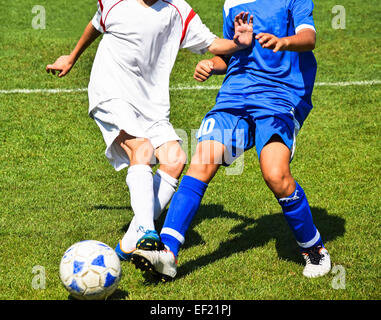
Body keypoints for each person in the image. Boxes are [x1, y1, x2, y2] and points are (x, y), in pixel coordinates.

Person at [131, 0, 331, 281]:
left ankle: (314, 248)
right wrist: (212, 64)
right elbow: (232, 52)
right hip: (235, 95)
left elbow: (308, 39)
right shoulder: (232, 3)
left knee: (276, 174)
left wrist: (283, 42)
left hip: (280, 95)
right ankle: (167, 253)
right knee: (202, 162)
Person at [46, 0, 254, 261]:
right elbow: (96, 24)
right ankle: (147, 231)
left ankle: (128, 244)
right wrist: (72, 57)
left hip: (151, 103)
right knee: (141, 148)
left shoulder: (177, 10)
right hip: (111, 91)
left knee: (175, 158)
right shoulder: (114, 1)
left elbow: (212, 44)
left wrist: (240, 44)